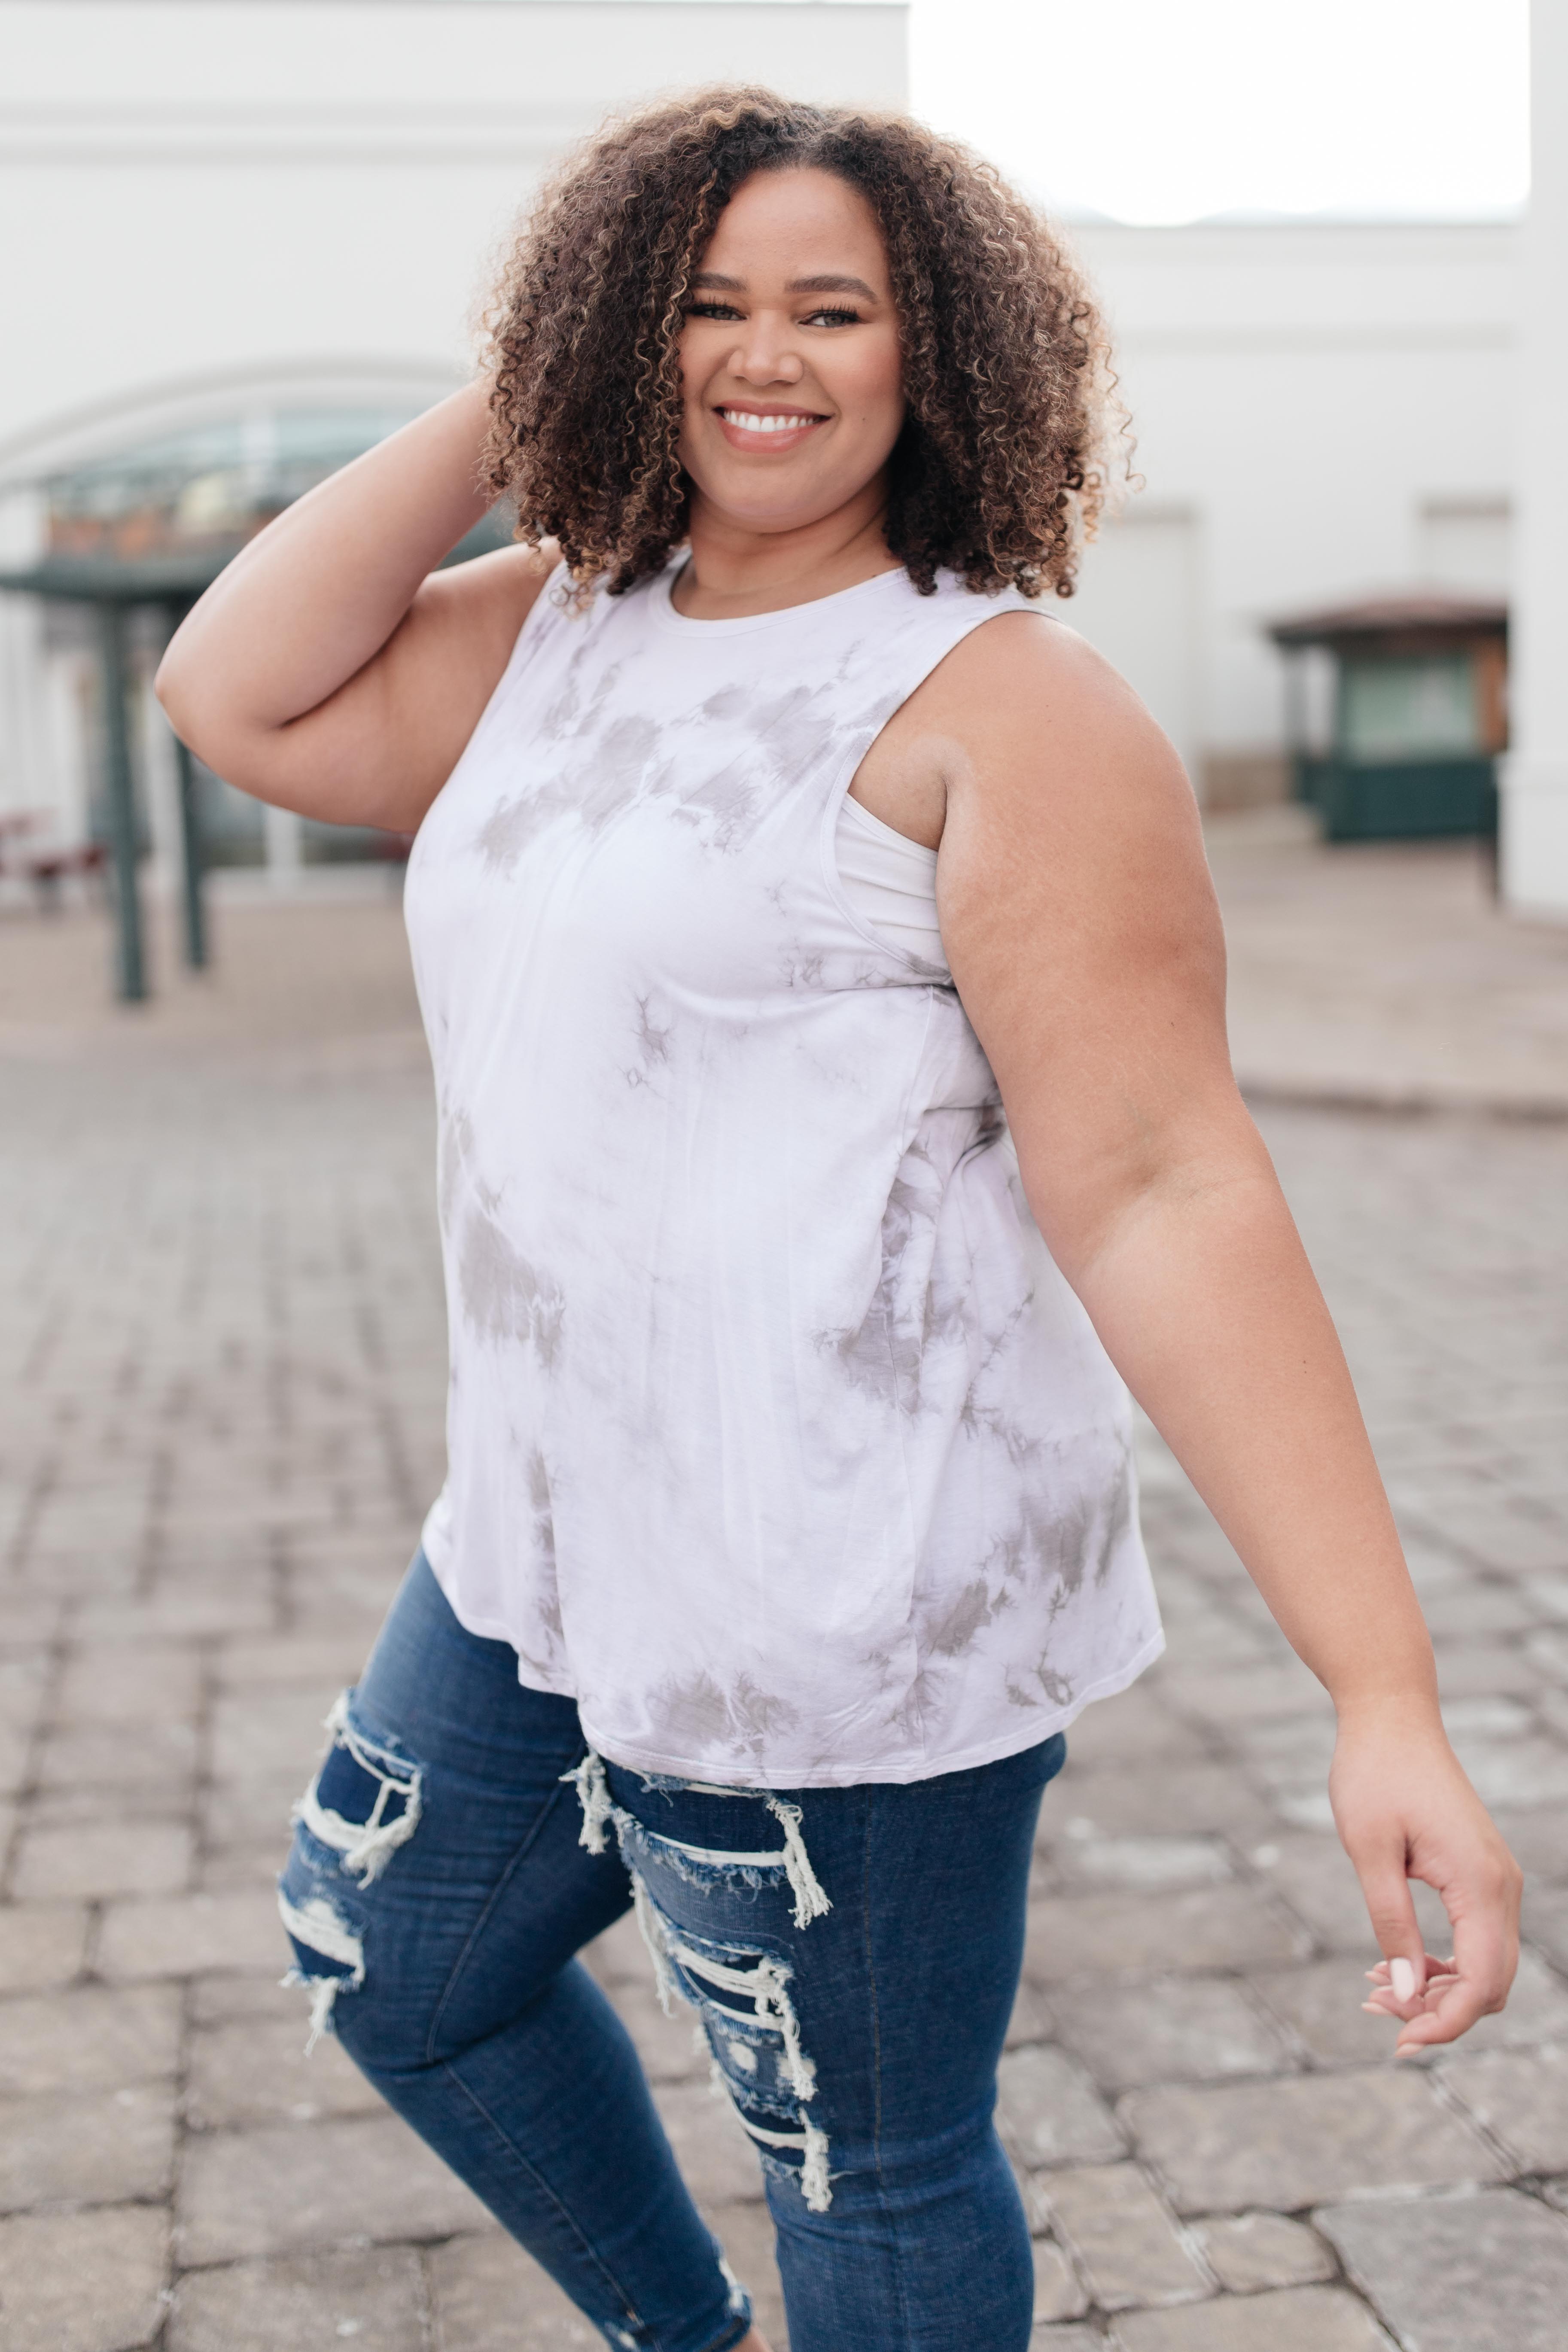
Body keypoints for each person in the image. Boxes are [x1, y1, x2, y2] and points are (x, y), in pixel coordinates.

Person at [156, 87, 1521, 2352]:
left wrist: (1380, 1691)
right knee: (391, 1960)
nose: (761, 355)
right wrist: (535, 384)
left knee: (862, 2173)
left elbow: (1168, 1184)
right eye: (697, 302)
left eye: (827, 307)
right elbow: (234, 686)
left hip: (838, 1606)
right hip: (537, 1552)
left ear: (935, 352)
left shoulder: (1003, 707)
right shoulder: (555, 630)